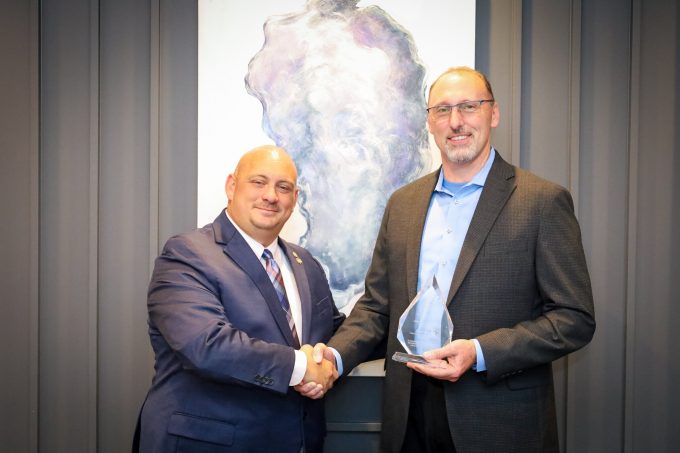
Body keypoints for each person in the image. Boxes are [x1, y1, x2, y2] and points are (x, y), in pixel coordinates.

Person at [306, 67, 596, 452]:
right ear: (429, 122)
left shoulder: (541, 202)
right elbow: (378, 306)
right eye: (442, 110)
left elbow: (574, 318)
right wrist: (334, 357)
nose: (455, 122)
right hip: (409, 413)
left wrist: (478, 352)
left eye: (469, 107)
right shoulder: (403, 204)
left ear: (493, 114)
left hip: (497, 421)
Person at [135, 145, 344, 453]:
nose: (271, 195)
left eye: (283, 187)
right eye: (258, 182)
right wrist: (301, 367)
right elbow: (206, 346)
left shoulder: (305, 263)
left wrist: (336, 357)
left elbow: (337, 329)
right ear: (231, 186)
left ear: (294, 199)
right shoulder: (187, 254)